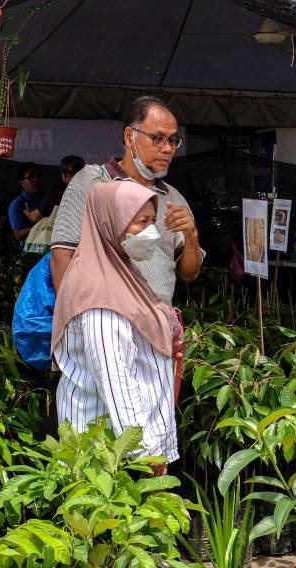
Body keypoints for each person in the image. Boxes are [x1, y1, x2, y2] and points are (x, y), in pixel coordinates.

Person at [52, 180, 181, 475]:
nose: (152, 231)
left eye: (152, 221)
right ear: (112, 222)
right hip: (109, 459)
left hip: (120, 450)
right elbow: (116, 379)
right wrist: (146, 454)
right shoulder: (99, 294)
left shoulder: (119, 274)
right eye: (141, 222)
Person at [50, 96, 201, 298]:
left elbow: (189, 274)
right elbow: (62, 255)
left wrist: (191, 235)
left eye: (173, 140)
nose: (167, 149)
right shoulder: (92, 182)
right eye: (157, 138)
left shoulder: (174, 198)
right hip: (103, 323)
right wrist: (72, 320)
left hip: (159, 323)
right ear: (130, 137)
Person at [8, 161, 44, 244]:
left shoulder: (46, 199)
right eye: (30, 177)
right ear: (22, 183)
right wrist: (40, 225)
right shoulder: (17, 204)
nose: (36, 180)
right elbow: (18, 235)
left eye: (37, 176)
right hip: (29, 252)